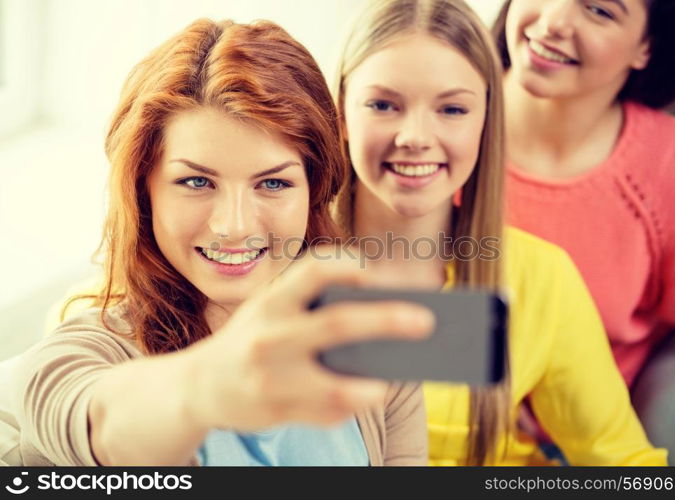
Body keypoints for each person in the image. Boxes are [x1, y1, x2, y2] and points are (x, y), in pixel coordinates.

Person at [9, 18, 434, 466]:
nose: (233, 225)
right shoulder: (73, 357)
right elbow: (106, 428)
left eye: (272, 184)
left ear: (312, 191)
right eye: (196, 181)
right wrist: (207, 384)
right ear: (143, 191)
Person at [333, 0, 666, 465]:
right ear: (342, 113)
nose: (414, 136)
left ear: (486, 120)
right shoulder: (277, 264)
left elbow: (625, 464)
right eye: (383, 105)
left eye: (451, 109)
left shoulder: (541, 278)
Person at [493, 0, 675, 464]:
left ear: (647, 47)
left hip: (589, 441)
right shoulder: (436, 125)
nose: (553, 22)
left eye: (600, 11)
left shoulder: (670, 168)